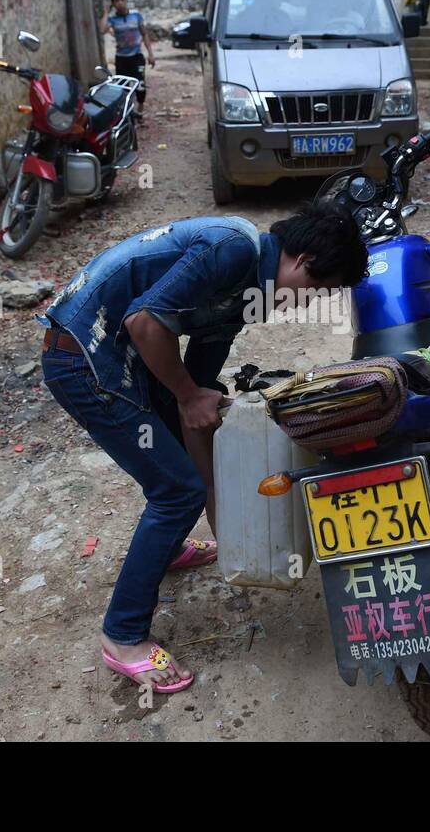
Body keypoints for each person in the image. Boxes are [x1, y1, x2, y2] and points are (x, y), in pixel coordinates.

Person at [39, 206, 369, 693]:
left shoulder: (244, 296)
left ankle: (168, 548)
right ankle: (122, 636)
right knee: (174, 491)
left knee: (185, 468)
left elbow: (197, 404)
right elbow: (146, 323)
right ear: (302, 261)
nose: (306, 306)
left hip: (123, 360)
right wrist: (191, 404)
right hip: (83, 359)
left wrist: (222, 515)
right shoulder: (232, 246)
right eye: (319, 291)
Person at [100, 0, 154, 115]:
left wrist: (151, 54)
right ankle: (127, 112)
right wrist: (106, 13)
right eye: (117, 1)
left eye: (122, 0)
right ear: (113, 3)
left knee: (140, 86)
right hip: (122, 59)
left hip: (137, 57)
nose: (120, 3)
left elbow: (144, 34)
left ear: (126, 0)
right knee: (123, 88)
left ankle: (140, 107)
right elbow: (102, 30)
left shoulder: (136, 16)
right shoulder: (113, 20)